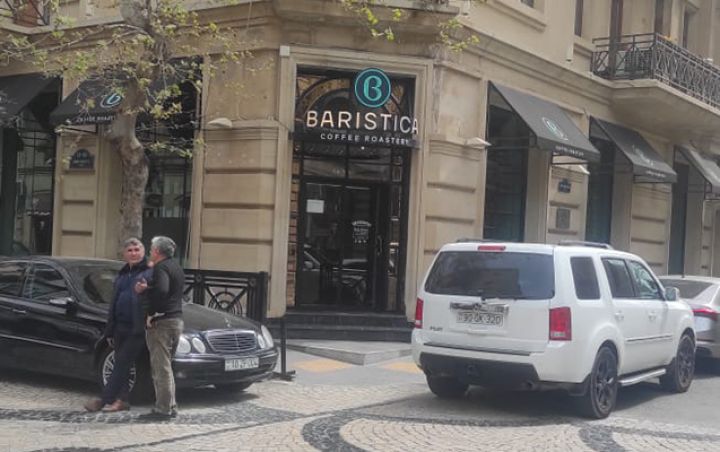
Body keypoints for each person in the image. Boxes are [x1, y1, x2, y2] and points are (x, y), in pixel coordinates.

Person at [84, 238, 150, 413]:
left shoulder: (148, 272)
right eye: (130, 250)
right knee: (122, 365)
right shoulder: (122, 274)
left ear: (143, 251)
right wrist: (110, 330)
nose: (134, 253)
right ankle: (123, 400)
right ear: (124, 254)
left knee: (121, 362)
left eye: (137, 249)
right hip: (120, 325)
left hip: (138, 327)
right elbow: (114, 302)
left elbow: (156, 295)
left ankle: (104, 399)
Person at [135, 236, 185, 420]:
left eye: (151, 249)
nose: (149, 252)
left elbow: (163, 291)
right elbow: (168, 290)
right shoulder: (176, 267)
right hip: (176, 320)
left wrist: (151, 313)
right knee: (167, 366)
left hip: (162, 322)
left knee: (160, 368)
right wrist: (148, 288)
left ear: (157, 251)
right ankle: (171, 405)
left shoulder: (160, 267)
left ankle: (163, 409)